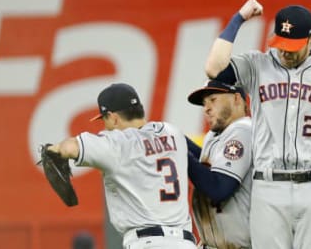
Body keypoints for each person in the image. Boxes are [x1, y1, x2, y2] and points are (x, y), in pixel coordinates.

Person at [204, 0, 311, 249]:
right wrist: (239, 18)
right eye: (281, 44)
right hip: (268, 188)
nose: (284, 51)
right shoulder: (257, 65)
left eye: (292, 46)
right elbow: (213, 68)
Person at [44, 83, 197, 249]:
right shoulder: (173, 133)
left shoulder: (118, 144)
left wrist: (51, 150)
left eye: (105, 119)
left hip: (147, 243)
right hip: (185, 242)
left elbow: (68, 148)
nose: (105, 126)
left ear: (114, 117)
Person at [186, 79, 253, 249]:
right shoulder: (216, 135)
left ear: (237, 99)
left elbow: (219, 188)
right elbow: (207, 164)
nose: (206, 108)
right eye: (204, 103)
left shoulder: (243, 129)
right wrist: (175, 140)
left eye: (213, 100)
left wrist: (178, 149)